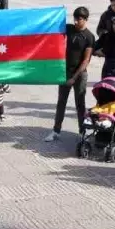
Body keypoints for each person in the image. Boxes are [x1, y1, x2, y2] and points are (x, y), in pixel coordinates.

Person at [45, 7, 94, 143]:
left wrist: (74, 77)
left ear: (86, 20)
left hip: (80, 75)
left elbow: (86, 60)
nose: (76, 21)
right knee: (61, 102)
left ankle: (82, 132)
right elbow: (53, 26)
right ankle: (56, 131)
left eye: (80, 19)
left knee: (80, 104)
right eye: (75, 18)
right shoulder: (69, 29)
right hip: (65, 72)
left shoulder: (89, 37)